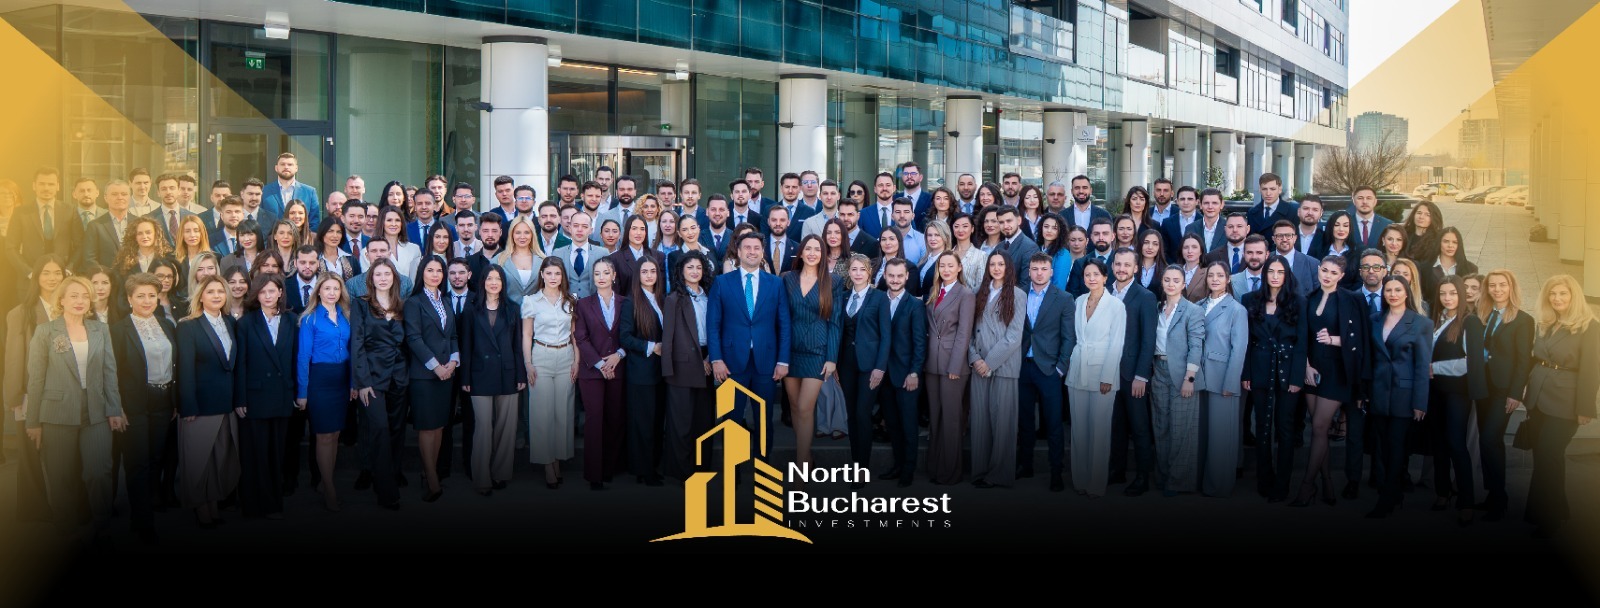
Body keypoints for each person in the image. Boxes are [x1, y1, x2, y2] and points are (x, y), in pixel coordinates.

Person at [24, 276, 125, 542]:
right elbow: (35, 380)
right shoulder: (45, 331)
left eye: (85, 296)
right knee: (61, 477)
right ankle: (65, 530)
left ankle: (102, 525)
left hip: (96, 411)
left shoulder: (100, 330)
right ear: (61, 300)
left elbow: (110, 372)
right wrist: (32, 421)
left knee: (99, 472)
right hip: (56, 413)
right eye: (74, 296)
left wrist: (115, 409)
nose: (80, 301)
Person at [1522, 274, 1599, 537]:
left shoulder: (1590, 326)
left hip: (1566, 401)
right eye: (1552, 294)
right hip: (1538, 398)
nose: (1557, 298)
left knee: (1548, 455)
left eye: (1563, 293)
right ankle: (1559, 510)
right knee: (1544, 458)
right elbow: (1536, 358)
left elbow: (1591, 370)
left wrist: (1585, 408)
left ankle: (1549, 519)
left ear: (1574, 295)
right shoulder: (1546, 322)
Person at [1293, 255, 1370, 507]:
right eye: (1324, 270)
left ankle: (1307, 485)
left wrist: (1335, 339)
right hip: (1312, 369)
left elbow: (1362, 338)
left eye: (1333, 273)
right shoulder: (1309, 297)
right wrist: (1306, 366)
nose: (1327, 276)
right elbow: (1302, 336)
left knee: (1318, 427)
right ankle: (1326, 481)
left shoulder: (1352, 299)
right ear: (1318, 270)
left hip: (1338, 370)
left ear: (1342, 276)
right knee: (1320, 431)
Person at [707, 233, 792, 453]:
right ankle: (733, 471)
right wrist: (716, 359)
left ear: (762, 252)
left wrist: (783, 361)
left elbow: (784, 325)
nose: (752, 252)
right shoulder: (722, 282)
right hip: (730, 363)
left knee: (764, 421)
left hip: (766, 363)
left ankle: (762, 469)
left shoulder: (775, 284)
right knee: (732, 421)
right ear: (738, 251)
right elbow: (713, 325)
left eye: (756, 248)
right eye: (747, 247)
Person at [110, 273, 176, 542]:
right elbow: (111, 372)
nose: (147, 301)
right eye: (140, 296)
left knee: (155, 459)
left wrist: (174, 401)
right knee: (137, 463)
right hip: (133, 404)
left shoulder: (167, 325)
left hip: (163, 402)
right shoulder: (118, 330)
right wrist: (116, 407)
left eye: (152, 295)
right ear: (129, 299)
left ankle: (145, 511)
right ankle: (142, 520)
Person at [175, 275, 240, 528]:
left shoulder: (230, 322)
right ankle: (200, 507)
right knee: (199, 460)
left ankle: (212, 504)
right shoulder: (188, 326)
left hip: (225, 404)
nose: (216, 296)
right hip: (200, 406)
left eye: (220, 292)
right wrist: (188, 406)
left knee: (219, 458)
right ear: (200, 295)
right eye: (210, 291)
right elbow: (185, 369)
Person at [1366, 274, 1432, 519]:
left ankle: (1387, 497)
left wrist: (1420, 402)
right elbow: (1370, 358)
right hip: (1378, 392)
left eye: (1397, 290)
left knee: (1396, 447)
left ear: (1406, 293)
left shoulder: (1421, 323)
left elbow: (1422, 366)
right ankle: (1392, 494)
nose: (1392, 294)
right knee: (1381, 447)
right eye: (1388, 290)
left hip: (1404, 395)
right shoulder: (1375, 319)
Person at [1241, 255, 1307, 503]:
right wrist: (1246, 373)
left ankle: (1282, 483)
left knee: (1285, 427)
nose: (1275, 276)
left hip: (1287, 370)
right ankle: (1264, 479)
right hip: (1259, 367)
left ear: (1287, 275)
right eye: (1271, 271)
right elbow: (1247, 340)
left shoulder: (1298, 302)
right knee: (1262, 426)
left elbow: (1302, 342)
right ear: (1264, 274)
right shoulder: (1250, 299)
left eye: (1280, 272)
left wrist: (1297, 377)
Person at [233, 274, 296, 520]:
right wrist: (240, 399)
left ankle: (273, 504)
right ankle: (253, 504)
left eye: (272, 291)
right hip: (255, 397)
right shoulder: (246, 323)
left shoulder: (291, 320)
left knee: (276, 454)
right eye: (262, 292)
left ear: (280, 292)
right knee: (255, 453)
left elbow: (295, 359)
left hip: (282, 395)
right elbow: (241, 363)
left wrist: (297, 392)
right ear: (256, 295)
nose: (268, 296)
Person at [459, 265, 525, 496]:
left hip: (508, 373)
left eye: (498, 279)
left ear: (503, 283)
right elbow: (466, 345)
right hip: (479, 374)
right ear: (482, 282)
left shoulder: (513, 308)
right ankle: (482, 478)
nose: (494, 283)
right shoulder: (471, 309)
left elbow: (517, 346)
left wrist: (520, 374)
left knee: (506, 429)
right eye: (489, 278)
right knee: (483, 429)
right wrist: (465, 376)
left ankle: (500, 473)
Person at [1428, 276, 1487, 525]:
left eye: (1453, 293)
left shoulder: (1470, 322)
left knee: (1456, 444)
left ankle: (1466, 501)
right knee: (1438, 444)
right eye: (1443, 293)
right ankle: (1443, 492)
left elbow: (1470, 362)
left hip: (1457, 393)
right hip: (1435, 391)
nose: (1447, 298)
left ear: (1461, 294)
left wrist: (1435, 368)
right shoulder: (1437, 319)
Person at [1474, 268, 1531, 521]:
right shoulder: (1483, 315)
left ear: (1511, 288)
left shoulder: (1523, 320)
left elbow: (1523, 360)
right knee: (1489, 441)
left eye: (1502, 285)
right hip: (1482, 387)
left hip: (1503, 390)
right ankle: (1492, 495)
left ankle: (1499, 499)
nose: (1497, 289)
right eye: (1492, 285)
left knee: (1489, 439)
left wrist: (1515, 393)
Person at [350, 259, 407, 510]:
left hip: (399, 376)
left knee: (396, 429)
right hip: (371, 377)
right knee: (380, 429)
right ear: (371, 279)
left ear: (394, 278)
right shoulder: (361, 304)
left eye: (387, 274)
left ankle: (391, 474)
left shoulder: (402, 305)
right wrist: (361, 382)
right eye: (378, 274)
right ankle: (387, 492)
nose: (383, 278)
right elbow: (357, 344)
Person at [1066, 258, 1126, 498]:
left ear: (1105, 277)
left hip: (1102, 370)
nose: (1091, 278)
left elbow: (1117, 342)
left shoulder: (1116, 305)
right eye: (1087, 275)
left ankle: (1096, 483)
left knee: (1099, 430)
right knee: (1079, 429)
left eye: (1096, 274)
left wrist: (1108, 376)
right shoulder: (1079, 301)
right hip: (1078, 367)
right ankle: (1080, 480)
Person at [293, 272, 352, 512]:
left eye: (336, 288)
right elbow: (303, 357)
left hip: (341, 381)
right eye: (327, 288)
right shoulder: (310, 319)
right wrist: (302, 392)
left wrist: (352, 384)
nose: (331, 293)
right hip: (319, 381)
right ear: (318, 291)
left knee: (335, 435)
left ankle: (325, 482)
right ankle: (328, 487)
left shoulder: (346, 316)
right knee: (323, 436)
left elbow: (352, 352)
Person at [782, 235, 842, 467]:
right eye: (808, 248)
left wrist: (832, 358)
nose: (812, 253)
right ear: (801, 252)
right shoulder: (788, 279)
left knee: (805, 408)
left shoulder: (833, 281)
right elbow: (781, 317)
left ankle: (801, 467)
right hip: (790, 351)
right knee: (795, 407)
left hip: (817, 351)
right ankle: (806, 455)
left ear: (823, 254)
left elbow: (835, 322)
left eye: (817, 249)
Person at [1016, 253, 1073, 490]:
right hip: (1022, 366)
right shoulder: (1019, 294)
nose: (1039, 273)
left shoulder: (1064, 298)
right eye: (1035, 269)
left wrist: (1060, 368)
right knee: (1024, 420)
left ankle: (1056, 471)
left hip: (1049, 369)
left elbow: (1068, 337)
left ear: (1051, 271)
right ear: (1029, 271)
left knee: (1053, 423)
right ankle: (1025, 464)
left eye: (1044, 269)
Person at [968, 252, 1025, 489]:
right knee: (980, 421)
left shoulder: (1018, 295)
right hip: (978, 365)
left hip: (1003, 365)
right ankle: (980, 471)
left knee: (1003, 423)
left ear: (1009, 267)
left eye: (1001, 264)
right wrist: (974, 358)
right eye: (992, 264)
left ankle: (999, 474)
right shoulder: (977, 292)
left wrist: (989, 362)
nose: (997, 268)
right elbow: (969, 332)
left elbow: (1014, 337)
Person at [405, 257, 458, 502]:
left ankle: (430, 472)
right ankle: (432, 478)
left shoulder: (445, 300)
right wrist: (436, 367)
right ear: (421, 273)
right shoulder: (414, 302)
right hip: (425, 375)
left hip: (447, 372)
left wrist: (453, 362)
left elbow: (453, 335)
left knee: (439, 426)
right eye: (430, 270)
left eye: (439, 270)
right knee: (427, 427)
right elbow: (414, 338)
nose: (435, 274)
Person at [523, 257, 579, 488]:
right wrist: (528, 363)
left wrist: (577, 361)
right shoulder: (531, 301)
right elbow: (527, 335)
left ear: (562, 276)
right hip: (542, 356)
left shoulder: (571, 300)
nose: (553, 277)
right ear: (542, 275)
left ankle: (557, 458)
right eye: (549, 273)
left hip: (566, 356)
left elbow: (574, 334)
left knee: (562, 412)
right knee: (542, 413)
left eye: (557, 273)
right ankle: (547, 464)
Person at [1150, 266, 1205, 497]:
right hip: (1158, 371)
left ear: (1184, 284)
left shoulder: (1193, 310)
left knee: (1181, 429)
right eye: (1167, 280)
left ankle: (1179, 481)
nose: (1171, 284)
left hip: (1183, 373)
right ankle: (1164, 476)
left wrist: (1190, 378)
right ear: (1162, 283)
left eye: (1176, 280)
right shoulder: (1156, 308)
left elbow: (1196, 346)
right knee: (1161, 426)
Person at [574, 258, 628, 490]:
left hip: (619, 367)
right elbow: (581, 337)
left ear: (614, 276)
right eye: (597, 273)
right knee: (594, 420)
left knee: (615, 418)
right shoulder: (584, 304)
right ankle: (594, 474)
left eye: (606, 273)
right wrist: (599, 364)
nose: (602, 277)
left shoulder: (626, 302)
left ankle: (610, 468)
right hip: (592, 371)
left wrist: (619, 355)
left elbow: (630, 333)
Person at [661, 251, 715, 482]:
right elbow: (668, 338)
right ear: (681, 271)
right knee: (681, 423)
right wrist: (667, 372)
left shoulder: (710, 296)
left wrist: (711, 358)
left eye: (699, 267)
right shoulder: (673, 299)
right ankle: (683, 473)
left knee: (704, 422)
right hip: (682, 367)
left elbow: (716, 329)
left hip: (708, 360)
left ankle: (702, 469)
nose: (695, 271)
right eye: (690, 267)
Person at [1107, 248, 1158, 495]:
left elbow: (1148, 340)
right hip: (1109, 372)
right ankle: (1116, 471)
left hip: (1133, 374)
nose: (1121, 269)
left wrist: (1141, 375)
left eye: (1127, 265)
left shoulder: (1145, 297)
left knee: (1139, 427)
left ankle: (1142, 477)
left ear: (1136, 268)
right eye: (1118, 264)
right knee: (1115, 425)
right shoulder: (1105, 292)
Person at [1196, 262, 1248, 498]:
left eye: (1220, 275)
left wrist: (1231, 383)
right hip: (1199, 377)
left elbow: (1239, 349)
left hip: (1222, 378)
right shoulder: (1199, 305)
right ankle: (1200, 479)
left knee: (1221, 435)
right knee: (1202, 433)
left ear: (1228, 279)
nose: (1215, 279)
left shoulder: (1237, 309)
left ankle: (1219, 485)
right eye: (1211, 275)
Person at [836, 254, 889, 480]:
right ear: (849, 272)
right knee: (851, 415)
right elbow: (837, 332)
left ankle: (862, 470)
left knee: (862, 414)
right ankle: (855, 463)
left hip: (870, 366)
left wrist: (880, 367)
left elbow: (886, 336)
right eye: (854, 269)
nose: (858, 273)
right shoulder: (843, 296)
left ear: (870, 272)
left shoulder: (880, 298)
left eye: (862, 269)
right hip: (846, 365)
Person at [924, 251, 974, 485]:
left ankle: (950, 472)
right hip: (932, 363)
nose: (945, 269)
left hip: (953, 364)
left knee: (951, 419)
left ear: (959, 268)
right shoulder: (934, 291)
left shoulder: (965, 294)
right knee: (935, 417)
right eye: (942, 265)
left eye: (950, 265)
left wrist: (955, 365)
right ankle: (935, 468)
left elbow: (964, 333)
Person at [617, 256, 667, 486]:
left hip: (661, 371)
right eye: (644, 271)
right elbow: (625, 337)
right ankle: (643, 470)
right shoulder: (631, 302)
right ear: (638, 275)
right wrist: (651, 347)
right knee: (643, 423)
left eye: (653, 271)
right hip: (641, 371)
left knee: (656, 421)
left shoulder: (662, 299)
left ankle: (652, 465)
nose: (649, 275)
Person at [877, 259, 926, 487]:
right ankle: (897, 465)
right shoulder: (878, 300)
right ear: (885, 276)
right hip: (883, 374)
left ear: (907, 277)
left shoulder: (915, 305)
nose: (895, 280)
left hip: (906, 375)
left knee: (908, 424)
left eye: (899, 276)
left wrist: (914, 372)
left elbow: (920, 343)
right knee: (892, 424)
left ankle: (908, 469)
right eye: (891, 275)